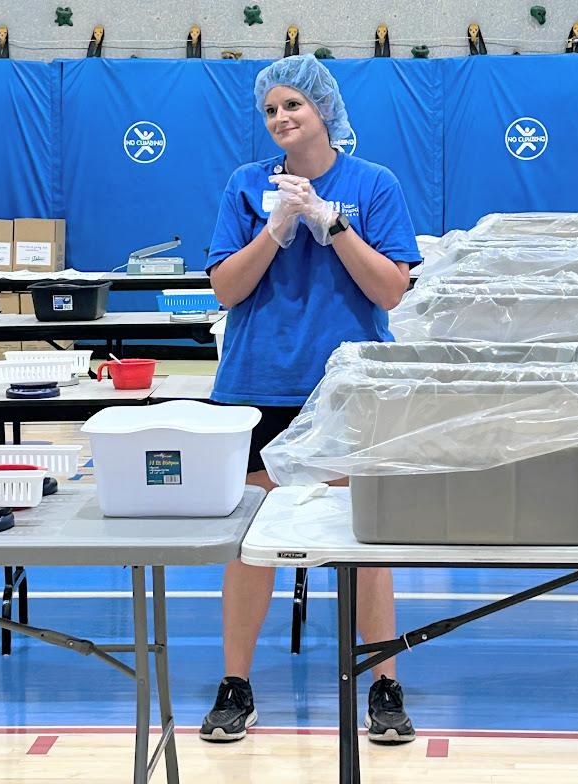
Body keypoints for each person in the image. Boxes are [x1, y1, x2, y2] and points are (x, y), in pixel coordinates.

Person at [200, 54, 422, 744]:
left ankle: (383, 683)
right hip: (257, 380)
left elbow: (389, 290)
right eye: (269, 110)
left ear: (323, 109)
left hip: (348, 385)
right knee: (251, 541)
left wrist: (330, 223)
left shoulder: (372, 184)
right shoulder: (244, 186)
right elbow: (226, 291)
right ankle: (235, 684)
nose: (279, 119)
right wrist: (274, 229)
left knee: (363, 536)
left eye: (291, 105)